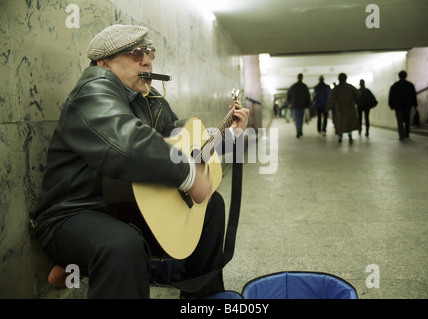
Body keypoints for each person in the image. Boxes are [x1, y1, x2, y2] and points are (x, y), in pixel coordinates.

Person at [30, 24, 249, 299]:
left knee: (212, 205)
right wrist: (190, 176)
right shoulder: (91, 92)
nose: (147, 60)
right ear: (104, 62)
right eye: (136, 54)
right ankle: (79, 260)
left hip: (128, 204)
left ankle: (202, 297)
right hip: (75, 212)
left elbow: (182, 149)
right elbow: (128, 142)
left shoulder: (153, 101)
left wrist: (231, 135)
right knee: (122, 246)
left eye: (149, 52)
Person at [326, 73, 360, 144]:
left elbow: (332, 99)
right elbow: (358, 94)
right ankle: (350, 136)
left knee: (340, 123)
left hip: (340, 109)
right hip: (350, 107)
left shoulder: (337, 88)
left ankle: (340, 137)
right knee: (349, 123)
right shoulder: (350, 87)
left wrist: (328, 108)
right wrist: (355, 101)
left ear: (339, 79)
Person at [388, 70, 418, 141]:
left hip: (398, 106)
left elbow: (391, 96)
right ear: (406, 76)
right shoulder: (410, 85)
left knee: (400, 121)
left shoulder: (394, 86)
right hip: (407, 106)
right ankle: (407, 134)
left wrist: (391, 105)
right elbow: (413, 96)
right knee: (407, 120)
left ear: (399, 76)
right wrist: (415, 105)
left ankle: (401, 135)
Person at [287, 73, 311, 138]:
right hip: (302, 105)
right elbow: (308, 96)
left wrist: (290, 103)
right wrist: (308, 105)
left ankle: (298, 130)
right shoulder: (304, 86)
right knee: (300, 118)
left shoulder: (293, 87)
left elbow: (288, 96)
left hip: (295, 105)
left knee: (297, 118)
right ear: (302, 78)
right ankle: (300, 130)